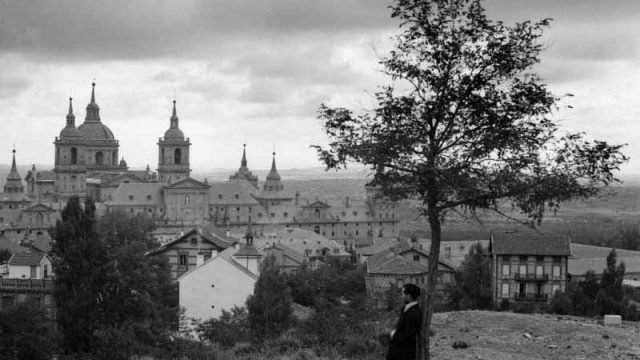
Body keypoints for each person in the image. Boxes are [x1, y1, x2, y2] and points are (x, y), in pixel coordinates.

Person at [386, 283, 422, 360]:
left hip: (404, 354)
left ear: (408, 296)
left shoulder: (413, 313)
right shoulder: (407, 309)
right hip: (399, 351)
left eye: (403, 294)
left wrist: (393, 334)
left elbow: (409, 336)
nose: (402, 296)